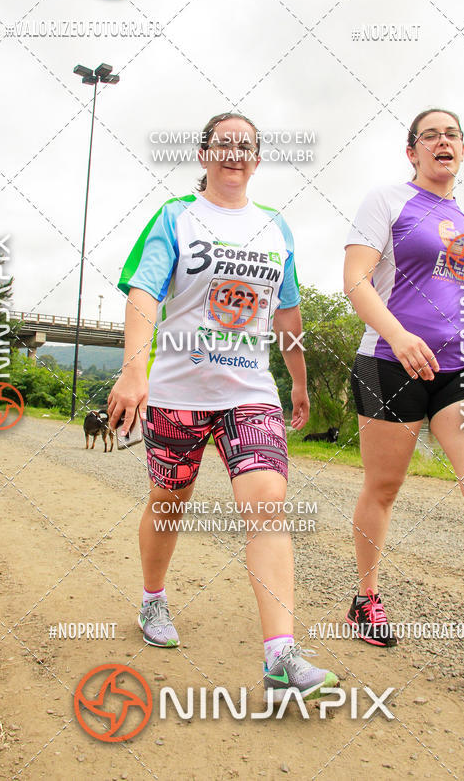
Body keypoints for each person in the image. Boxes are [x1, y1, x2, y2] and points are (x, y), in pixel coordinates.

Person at [109, 111, 338, 701]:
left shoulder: (275, 228)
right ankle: (153, 600)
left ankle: (280, 658)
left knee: (267, 507)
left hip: (250, 394)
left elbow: (287, 312)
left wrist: (299, 383)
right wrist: (134, 371)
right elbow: (144, 293)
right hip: (177, 394)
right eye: (223, 143)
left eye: (245, 146)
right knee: (169, 501)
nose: (234, 152)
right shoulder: (175, 217)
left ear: (257, 159)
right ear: (204, 154)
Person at [343, 108, 464, 683]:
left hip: (459, 369)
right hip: (388, 362)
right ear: (413, 152)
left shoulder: (463, 218)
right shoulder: (387, 200)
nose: (442, 141)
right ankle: (365, 598)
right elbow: (356, 281)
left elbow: (453, 296)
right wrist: (399, 337)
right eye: (430, 135)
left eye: (452, 134)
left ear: (463, 149)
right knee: (383, 488)